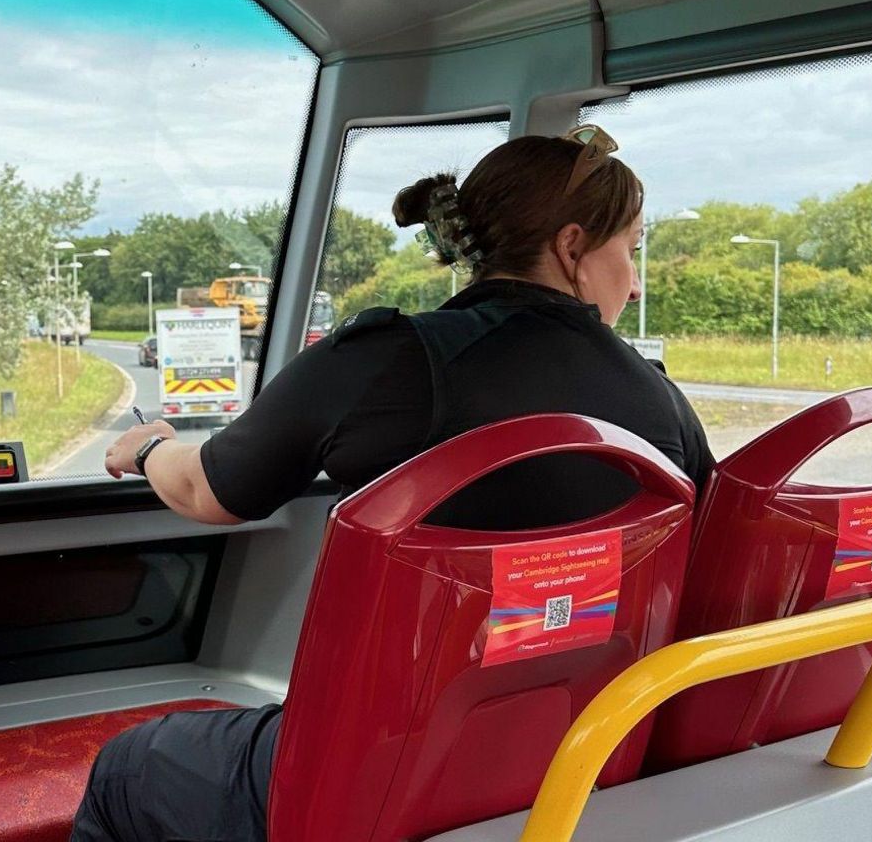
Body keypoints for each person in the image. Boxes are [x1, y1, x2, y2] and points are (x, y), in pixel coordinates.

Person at [71, 125, 714, 842]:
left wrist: (155, 444)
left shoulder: (383, 363)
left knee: (126, 770)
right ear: (570, 248)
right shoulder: (661, 406)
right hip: (573, 770)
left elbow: (205, 492)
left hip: (374, 781)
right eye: (631, 250)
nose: (636, 277)